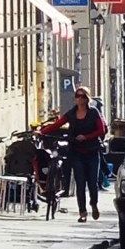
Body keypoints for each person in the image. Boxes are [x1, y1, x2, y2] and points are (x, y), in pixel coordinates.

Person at [41, 87, 108, 222]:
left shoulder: (93, 113)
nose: (80, 99)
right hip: (77, 153)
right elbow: (58, 123)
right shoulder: (72, 113)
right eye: (78, 96)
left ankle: (93, 204)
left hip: (92, 152)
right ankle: (82, 212)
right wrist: (42, 132)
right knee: (80, 183)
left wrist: (86, 137)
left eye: (83, 96)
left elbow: (101, 130)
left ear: (87, 98)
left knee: (93, 183)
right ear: (75, 98)